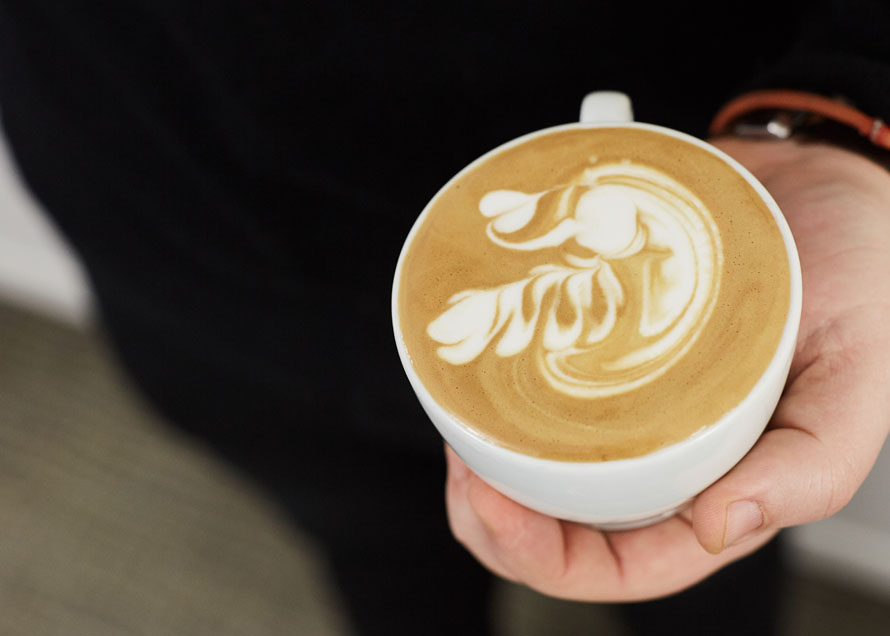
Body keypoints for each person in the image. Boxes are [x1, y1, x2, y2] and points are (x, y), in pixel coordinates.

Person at [0, 1, 888, 634]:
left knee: (702, 582)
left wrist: (851, 109)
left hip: (720, 169)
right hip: (175, 220)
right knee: (375, 559)